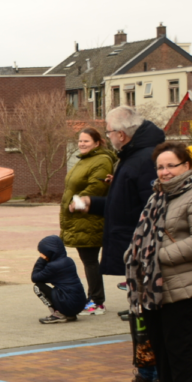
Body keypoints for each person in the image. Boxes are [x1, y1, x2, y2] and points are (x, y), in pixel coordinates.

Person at [72, 106, 165, 382]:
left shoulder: (145, 160)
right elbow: (122, 204)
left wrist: (142, 250)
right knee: (138, 318)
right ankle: (144, 375)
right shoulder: (131, 157)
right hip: (134, 253)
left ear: (122, 134)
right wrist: (94, 203)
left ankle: (160, 381)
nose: (109, 135)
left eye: (110, 131)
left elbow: (149, 212)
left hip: (146, 257)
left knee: (151, 321)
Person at [126, 143, 192, 382]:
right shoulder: (157, 197)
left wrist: (158, 257)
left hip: (184, 285)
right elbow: (145, 234)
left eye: (171, 166)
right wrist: (135, 256)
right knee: (161, 347)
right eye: (160, 167)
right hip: (155, 287)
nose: (165, 172)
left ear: (186, 167)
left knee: (178, 347)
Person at [61, 128, 115, 316]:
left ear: (97, 143)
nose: (82, 144)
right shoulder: (85, 159)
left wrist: (77, 203)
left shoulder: (102, 160)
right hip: (80, 219)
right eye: (80, 141)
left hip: (89, 218)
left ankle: (97, 301)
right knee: (88, 260)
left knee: (90, 260)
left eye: (86, 141)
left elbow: (97, 187)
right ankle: (92, 297)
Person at [31, 235, 86, 323]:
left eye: (43, 252)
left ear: (49, 252)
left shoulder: (54, 266)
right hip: (79, 303)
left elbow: (35, 277)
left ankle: (59, 314)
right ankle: (69, 314)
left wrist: (42, 259)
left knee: (38, 287)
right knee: (61, 288)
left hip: (69, 303)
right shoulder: (68, 260)